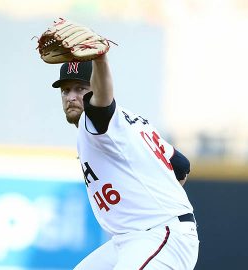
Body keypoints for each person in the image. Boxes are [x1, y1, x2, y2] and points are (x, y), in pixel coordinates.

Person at [50, 55, 199, 269]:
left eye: (80, 89)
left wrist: (101, 60)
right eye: (65, 90)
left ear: (95, 89)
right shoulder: (130, 123)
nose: (71, 96)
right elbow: (181, 166)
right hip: (130, 239)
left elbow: (102, 102)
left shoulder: (96, 117)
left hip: (160, 234)